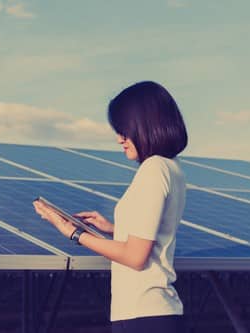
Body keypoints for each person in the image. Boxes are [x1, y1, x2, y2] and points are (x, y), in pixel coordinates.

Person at [33, 81, 188, 333]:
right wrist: (113, 229)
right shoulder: (172, 167)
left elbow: (136, 257)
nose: (119, 139)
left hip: (143, 315)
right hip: (153, 314)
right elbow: (151, 240)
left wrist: (73, 232)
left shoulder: (153, 169)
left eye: (124, 130)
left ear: (145, 125)